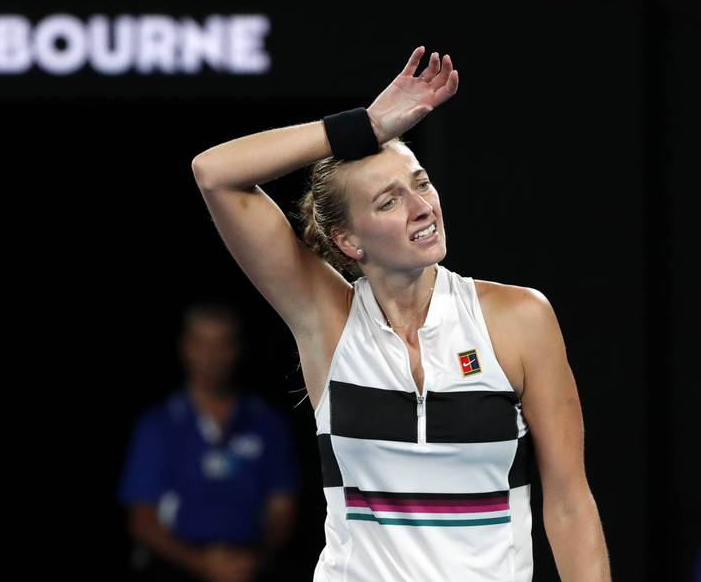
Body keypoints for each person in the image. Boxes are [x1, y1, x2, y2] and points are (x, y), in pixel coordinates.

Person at [190, 45, 611, 582]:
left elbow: (570, 503)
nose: (421, 208)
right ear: (348, 240)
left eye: (421, 183)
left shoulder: (519, 318)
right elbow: (214, 172)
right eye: (388, 202)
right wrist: (364, 125)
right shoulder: (328, 320)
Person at [117, 301, 301, 582]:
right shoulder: (158, 425)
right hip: (176, 566)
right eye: (201, 343)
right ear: (185, 347)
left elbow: (282, 509)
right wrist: (202, 564)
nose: (211, 356)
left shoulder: (267, 423)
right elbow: (142, 520)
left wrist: (255, 559)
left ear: (238, 349)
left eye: (222, 344)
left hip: (249, 565)